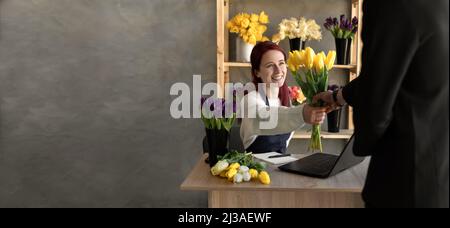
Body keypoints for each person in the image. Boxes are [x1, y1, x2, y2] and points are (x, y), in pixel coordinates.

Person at [314, 0, 449, 207]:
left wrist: (366, 143)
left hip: (406, 182)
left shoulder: (390, 5)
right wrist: (338, 97)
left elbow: (376, 98)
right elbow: (411, 71)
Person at [240, 41, 327, 154]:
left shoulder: (286, 101)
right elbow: (264, 118)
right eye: (270, 65)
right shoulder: (250, 100)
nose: (278, 70)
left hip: (281, 165)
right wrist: (302, 114)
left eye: (281, 63)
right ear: (257, 72)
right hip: (256, 169)